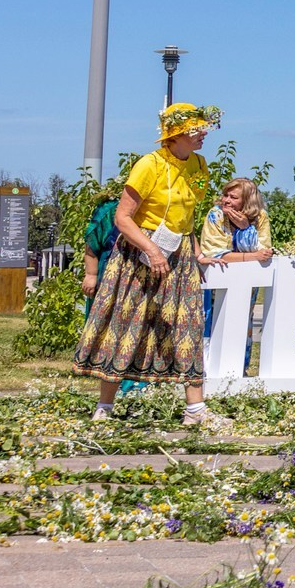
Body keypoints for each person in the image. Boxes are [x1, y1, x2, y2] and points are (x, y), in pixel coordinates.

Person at [77, 103, 225, 425]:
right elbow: (123, 217)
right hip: (139, 253)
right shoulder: (149, 165)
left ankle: (195, 410)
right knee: (124, 324)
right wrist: (152, 251)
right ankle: (104, 407)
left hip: (179, 253)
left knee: (188, 325)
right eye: (197, 129)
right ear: (177, 134)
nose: (203, 134)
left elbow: (187, 216)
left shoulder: (199, 165)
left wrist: (196, 252)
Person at [199, 177, 272, 343]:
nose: (226, 200)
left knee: (243, 322)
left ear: (247, 201)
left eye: (233, 197)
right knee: (214, 322)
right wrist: (252, 257)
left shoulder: (260, 216)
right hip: (218, 279)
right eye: (225, 195)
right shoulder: (216, 214)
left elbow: (264, 251)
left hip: (248, 280)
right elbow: (215, 254)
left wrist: (245, 228)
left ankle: (242, 359)